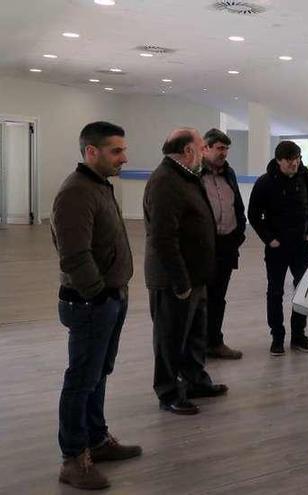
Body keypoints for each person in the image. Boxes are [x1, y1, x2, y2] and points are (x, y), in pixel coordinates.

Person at [51, 121, 141, 490]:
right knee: (81, 380)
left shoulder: (98, 186)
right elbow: (73, 255)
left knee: (97, 374)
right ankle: (73, 459)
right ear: (91, 152)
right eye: (116, 151)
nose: (125, 157)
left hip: (108, 298)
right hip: (90, 303)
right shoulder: (76, 193)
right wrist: (98, 293)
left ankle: (97, 439)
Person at [144, 128, 228, 416]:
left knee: (194, 335)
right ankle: (168, 391)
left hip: (195, 277)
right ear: (189, 151)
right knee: (169, 337)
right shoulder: (165, 181)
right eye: (202, 147)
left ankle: (195, 381)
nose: (204, 152)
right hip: (175, 280)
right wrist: (180, 282)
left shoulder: (185, 177)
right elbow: (163, 238)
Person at [247, 140, 308, 356]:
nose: (294, 164)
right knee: (275, 292)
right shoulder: (265, 182)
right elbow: (253, 215)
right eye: (289, 160)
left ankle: (298, 335)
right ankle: (277, 337)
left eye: (297, 159)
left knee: (302, 290)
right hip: (277, 248)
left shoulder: (306, 177)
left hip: (302, 246)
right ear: (279, 160)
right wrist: (269, 239)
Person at [201, 128, 246, 360]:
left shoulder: (229, 174)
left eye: (226, 149)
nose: (224, 153)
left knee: (218, 297)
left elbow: (238, 206)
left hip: (226, 246)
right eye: (219, 148)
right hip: (203, 248)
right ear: (205, 148)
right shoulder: (195, 175)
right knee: (201, 298)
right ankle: (197, 346)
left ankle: (214, 342)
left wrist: (238, 235)